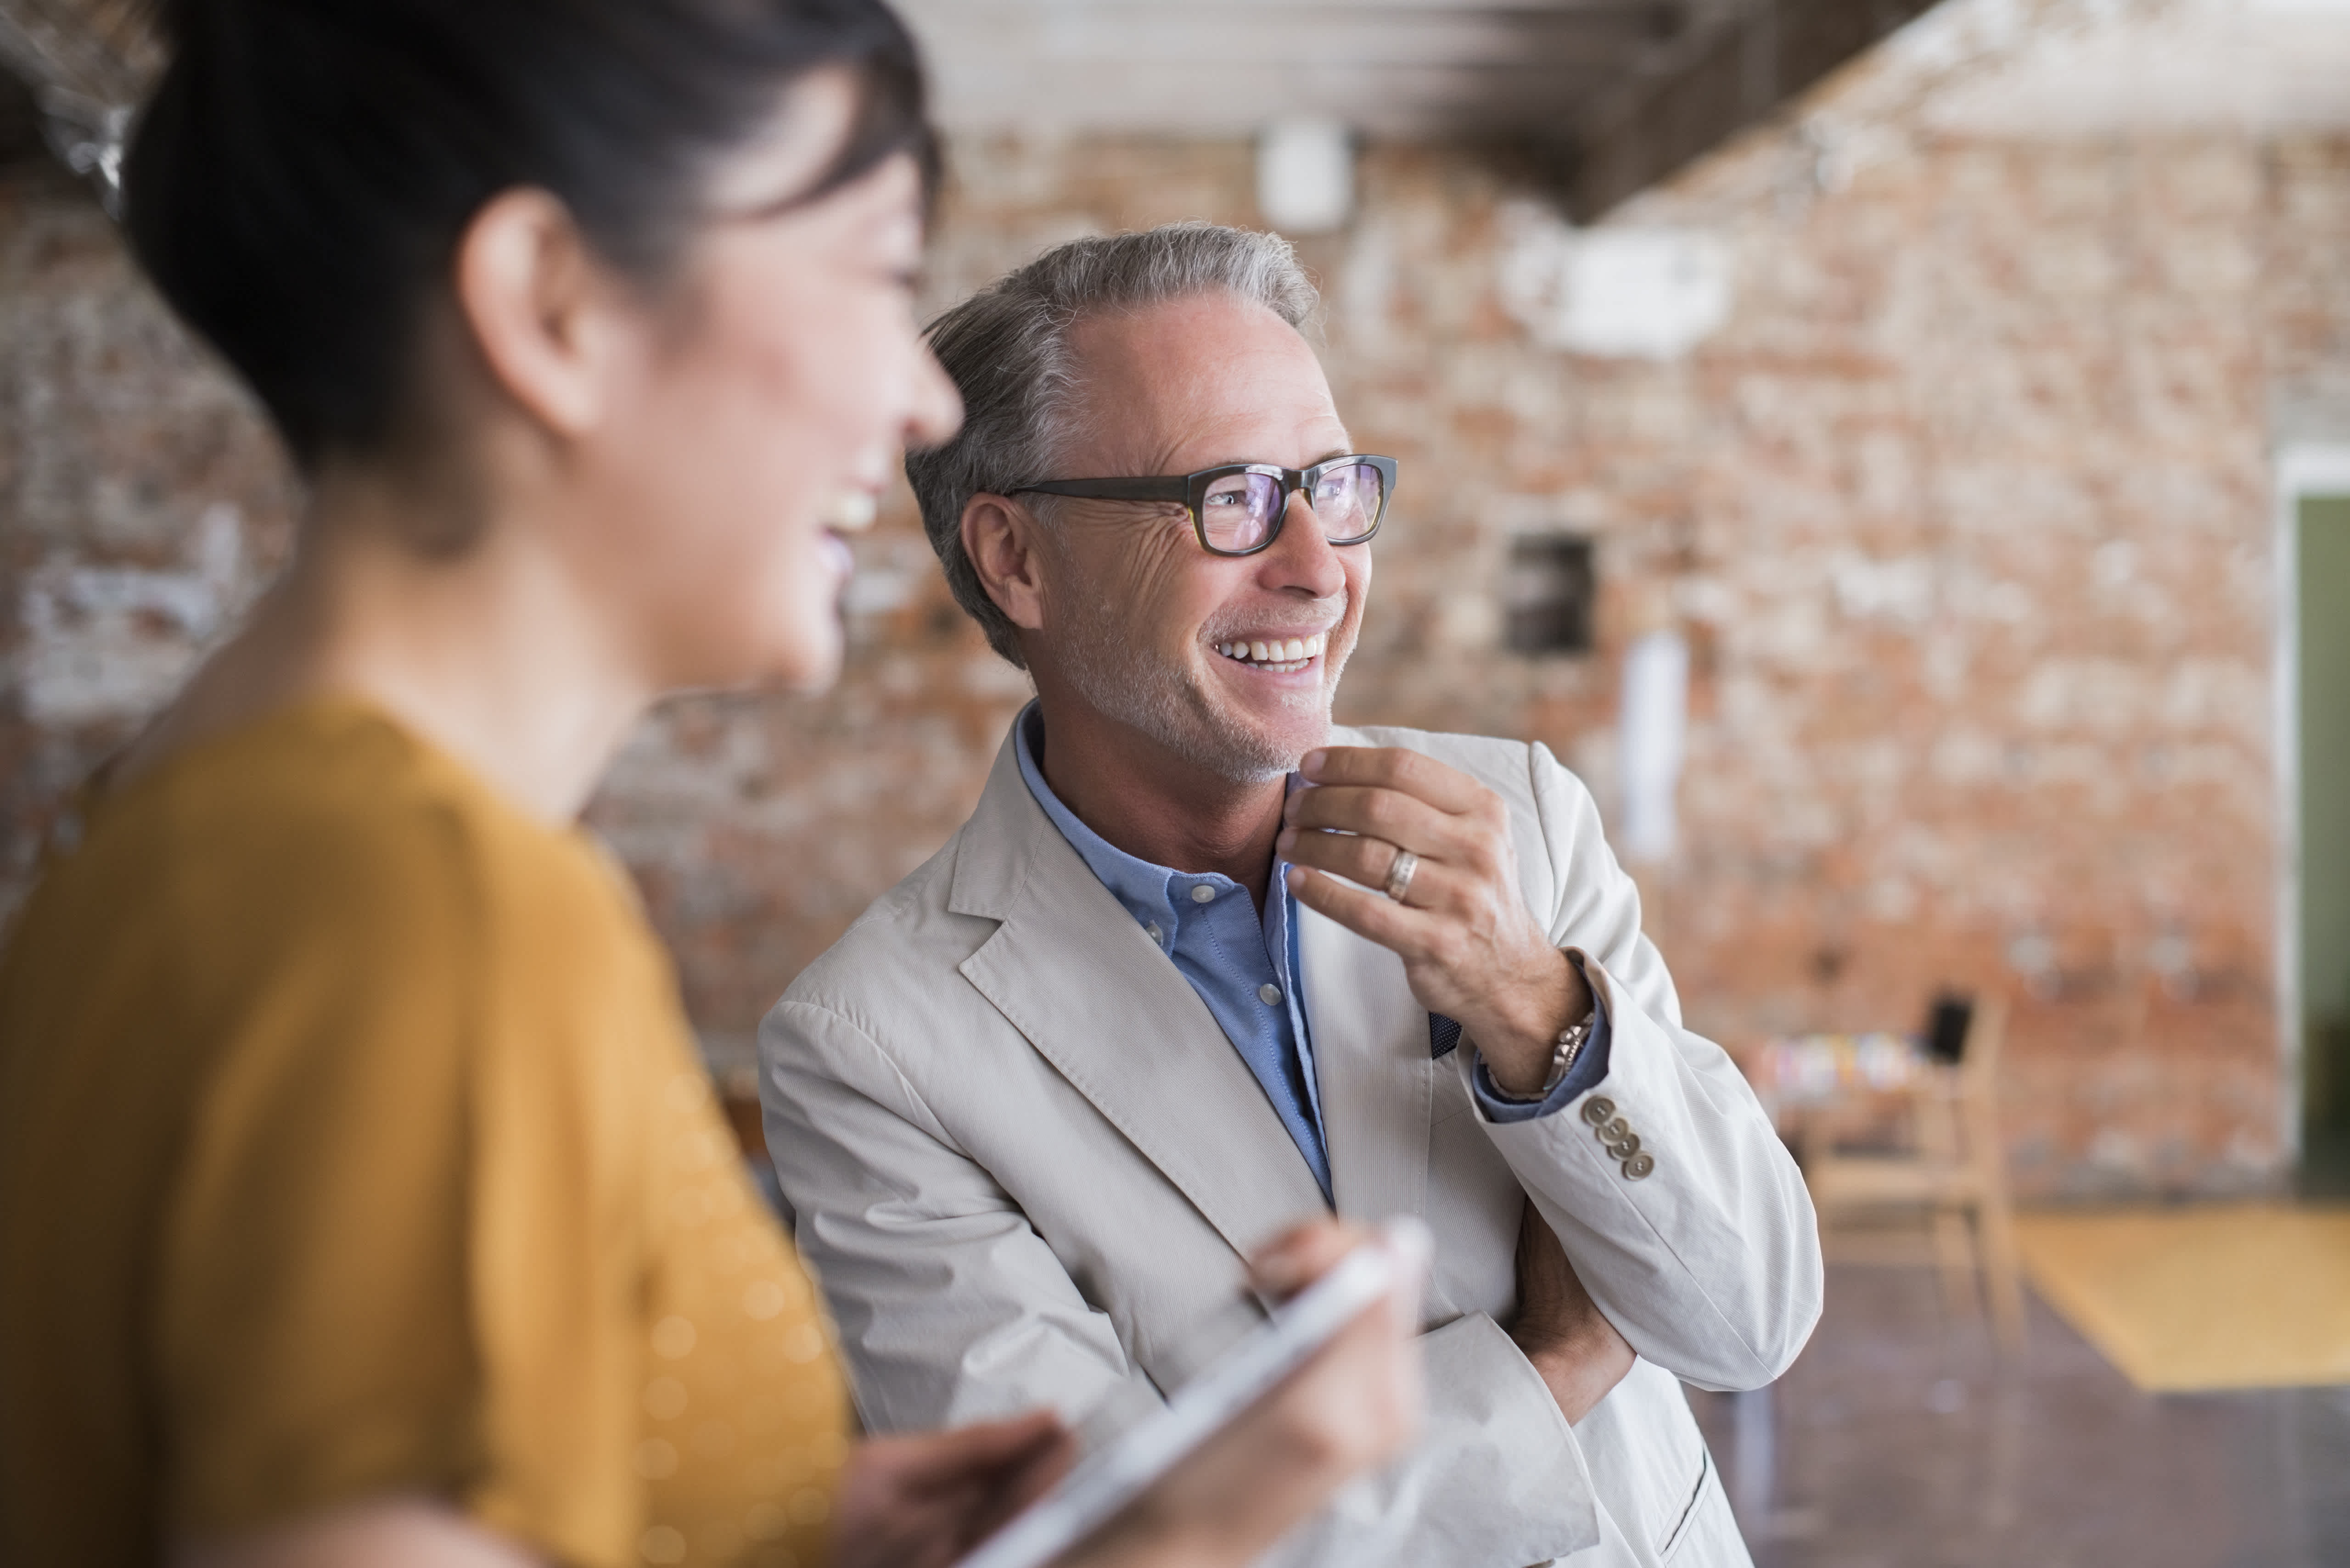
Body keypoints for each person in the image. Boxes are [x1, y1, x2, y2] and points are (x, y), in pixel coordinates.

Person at [0, 8, 1425, 1567]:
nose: (923, 406)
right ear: (551, 309)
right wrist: (1193, 1532)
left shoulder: (198, 826)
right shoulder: (416, 903)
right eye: (868, 277)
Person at [757, 222, 1826, 1567]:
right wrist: (1550, 1367)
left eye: (1333, 486)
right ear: (1017, 560)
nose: (1320, 568)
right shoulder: (873, 1048)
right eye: (1235, 499)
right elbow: (1113, 1547)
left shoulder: (1523, 823)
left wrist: (1538, 1009)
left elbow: (1748, 1320)